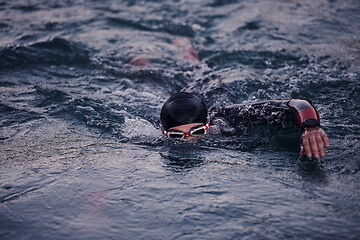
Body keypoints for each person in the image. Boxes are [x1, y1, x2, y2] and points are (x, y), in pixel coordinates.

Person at [160, 92, 330, 159]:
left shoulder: (234, 117)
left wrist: (311, 126)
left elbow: (298, 103)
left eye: (196, 131)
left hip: (216, 90)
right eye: (177, 136)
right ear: (164, 134)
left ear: (208, 125)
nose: (189, 140)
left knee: (196, 67)